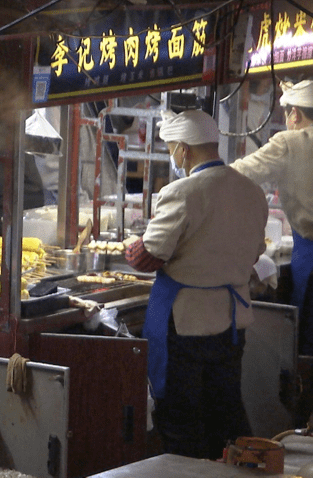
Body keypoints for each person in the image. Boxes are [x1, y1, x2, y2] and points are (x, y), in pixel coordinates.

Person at [125, 109, 268, 459]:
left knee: (181, 423)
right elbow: (253, 254)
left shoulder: (183, 192)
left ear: (184, 150)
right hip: (231, 324)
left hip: (186, 326)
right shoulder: (251, 191)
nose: (174, 155)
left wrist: (131, 246)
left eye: (173, 147)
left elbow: (148, 258)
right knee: (225, 415)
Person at [230, 79, 313, 355]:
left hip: (310, 256)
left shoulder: (292, 142)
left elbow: (240, 173)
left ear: (295, 115)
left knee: (306, 345)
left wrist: (200, 171)